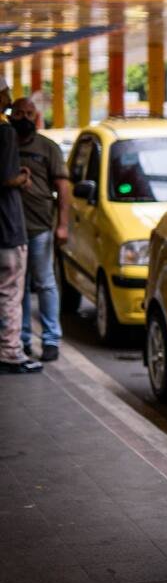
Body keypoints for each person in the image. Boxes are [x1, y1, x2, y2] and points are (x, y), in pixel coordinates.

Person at [13, 97, 70, 362]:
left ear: (36, 117)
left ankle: (50, 339)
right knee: (18, 287)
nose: (24, 118)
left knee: (45, 283)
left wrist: (62, 225)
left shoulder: (48, 148)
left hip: (40, 228)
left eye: (29, 113)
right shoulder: (6, 146)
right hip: (11, 229)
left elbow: (63, 188)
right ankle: (22, 339)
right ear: (11, 116)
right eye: (19, 113)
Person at [0, 78, 40, 374]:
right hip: (8, 228)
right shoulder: (5, 132)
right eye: (7, 92)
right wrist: (22, 179)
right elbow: (4, 178)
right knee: (10, 293)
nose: (11, 98)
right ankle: (10, 352)